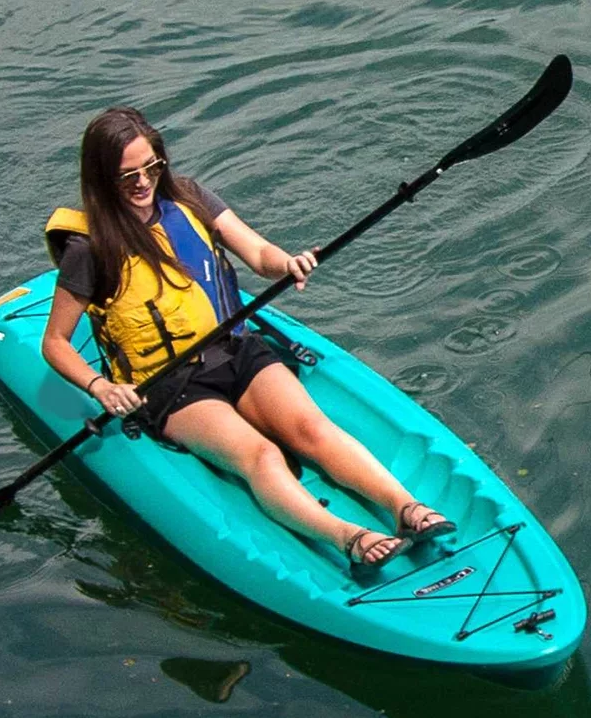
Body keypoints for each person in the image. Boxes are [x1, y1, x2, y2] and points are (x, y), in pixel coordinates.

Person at [40, 105, 454, 570]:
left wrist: (287, 263)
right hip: (172, 386)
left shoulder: (189, 197)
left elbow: (257, 252)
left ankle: (404, 507)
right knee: (260, 454)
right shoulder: (88, 250)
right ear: (101, 180)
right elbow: (55, 342)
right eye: (126, 175)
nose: (142, 183)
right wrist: (101, 387)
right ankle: (348, 537)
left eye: (150, 167)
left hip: (236, 350)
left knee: (311, 429)